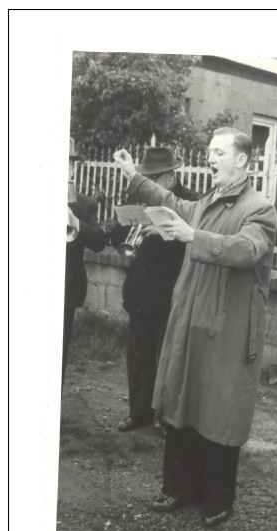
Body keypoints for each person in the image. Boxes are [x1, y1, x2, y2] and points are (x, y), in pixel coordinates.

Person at [114, 127, 277, 527]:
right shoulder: (206, 201)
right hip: (191, 323)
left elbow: (248, 249)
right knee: (182, 403)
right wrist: (134, 176)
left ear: (241, 160)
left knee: (219, 411)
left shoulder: (260, 208)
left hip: (229, 331)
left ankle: (216, 500)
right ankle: (178, 489)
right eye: (209, 152)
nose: (210, 158)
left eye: (218, 152)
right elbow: (171, 201)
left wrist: (194, 237)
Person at [106, 147, 198, 432]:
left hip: (170, 293)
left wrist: (164, 232)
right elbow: (118, 235)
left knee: (170, 359)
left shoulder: (190, 201)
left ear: (171, 176)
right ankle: (139, 412)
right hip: (140, 290)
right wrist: (123, 226)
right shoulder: (139, 197)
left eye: (155, 177)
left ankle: (167, 418)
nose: (149, 182)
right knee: (138, 354)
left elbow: (196, 242)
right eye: (146, 176)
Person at [63, 138, 106, 384]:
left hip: (67, 288)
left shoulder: (85, 203)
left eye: (67, 164)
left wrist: (76, 222)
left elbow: (100, 242)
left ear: (72, 169)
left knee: (59, 349)